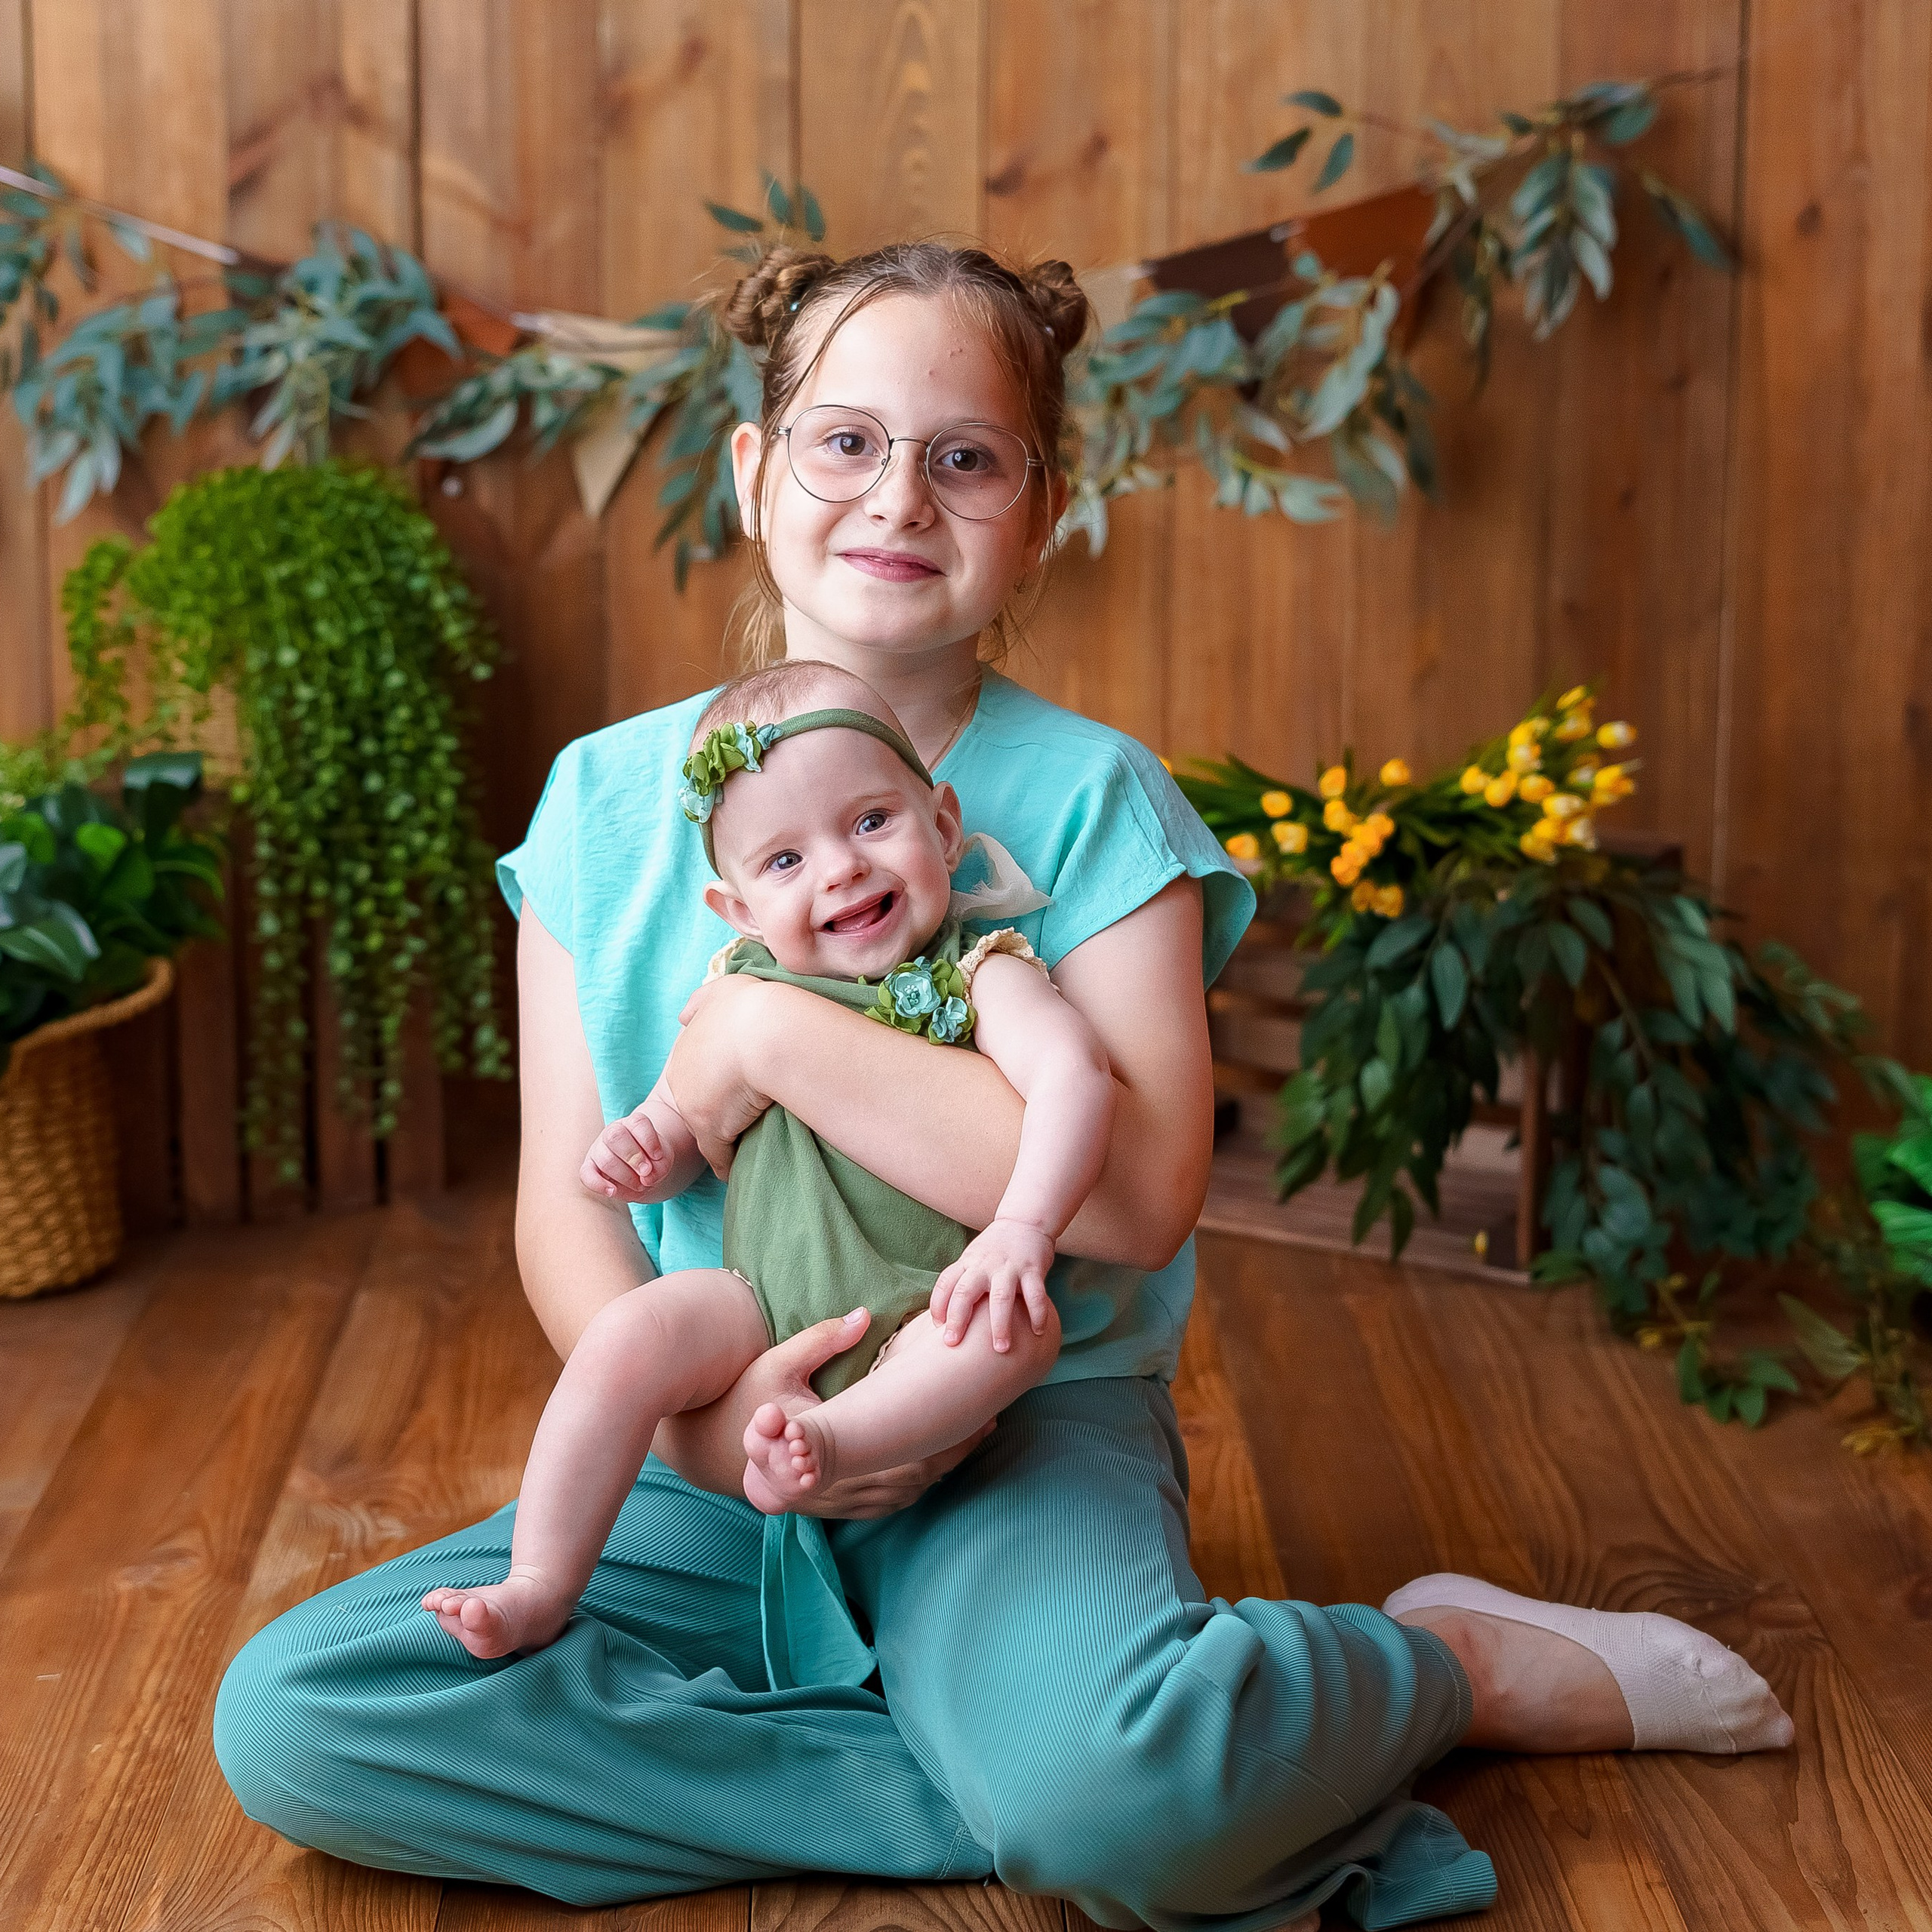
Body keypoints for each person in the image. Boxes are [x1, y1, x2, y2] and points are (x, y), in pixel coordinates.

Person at [214, 238, 1792, 1930]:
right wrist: (710, 1415)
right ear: (755, 473)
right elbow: (561, 1214)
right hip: (726, 1436)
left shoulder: (1098, 805)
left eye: (964, 457)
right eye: (844, 441)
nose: (898, 495)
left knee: (1109, 1788)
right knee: (300, 1719)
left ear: (1039, 511)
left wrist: (766, 1038)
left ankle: (1432, 1668)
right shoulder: (600, 807)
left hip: (1019, 1421)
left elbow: (1127, 1193)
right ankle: (1065, 1768)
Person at [420, 659, 1112, 1659]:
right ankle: (539, 1579)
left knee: (1012, 1336)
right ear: (738, 911)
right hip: (758, 1308)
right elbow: (679, 1135)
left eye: (872, 821)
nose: (839, 868)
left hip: (932, 1303)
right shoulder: (736, 986)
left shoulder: (981, 973)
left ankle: (832, 1444)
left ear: (944, 826)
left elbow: (1074, 1079)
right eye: (784, 861)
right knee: (626, 1338)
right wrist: (640, 1151)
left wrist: (1023, 1229)